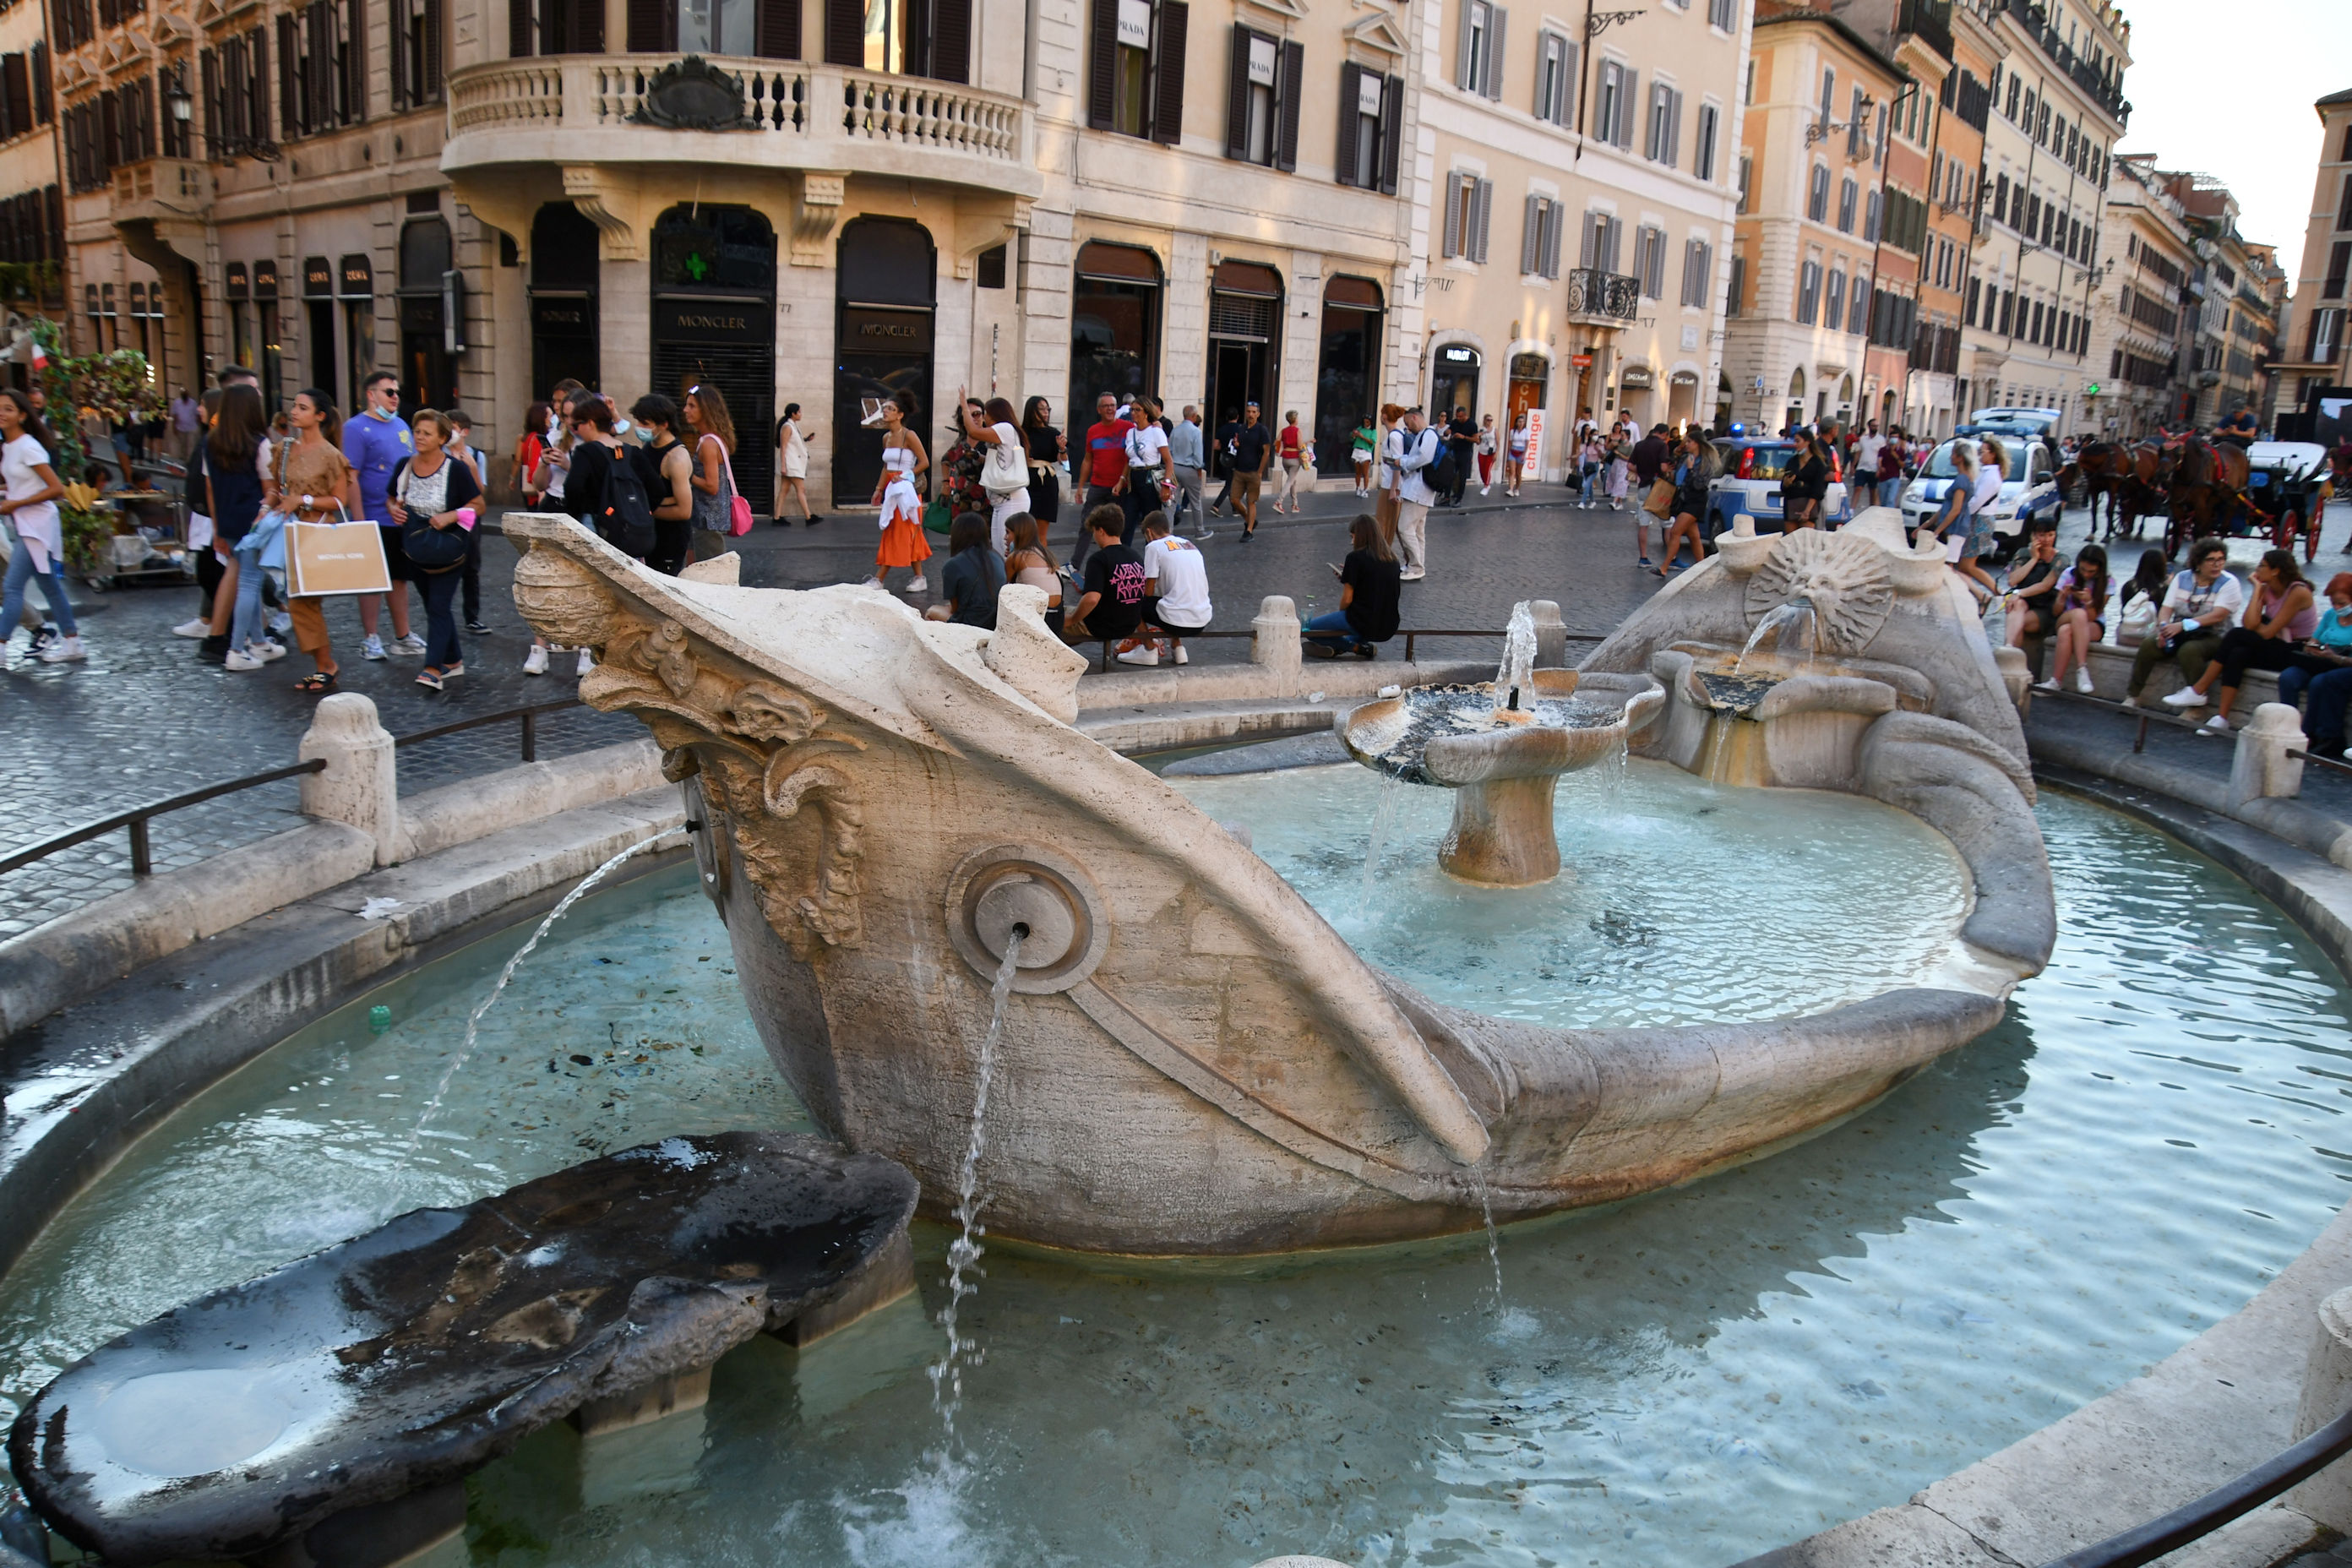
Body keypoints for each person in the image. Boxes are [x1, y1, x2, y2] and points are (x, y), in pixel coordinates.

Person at [264, 389, 358, 694]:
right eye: (294, 406)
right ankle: (324, 663)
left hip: (315, 533)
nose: (294, 412)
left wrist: (303, 500)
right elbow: (276, 488)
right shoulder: (284, 449)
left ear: (319, 416)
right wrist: (267, 507)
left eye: (303, 408)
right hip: (285, 532)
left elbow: (339, 500)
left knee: (304, 601)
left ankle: (326, 664)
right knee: (296, 600)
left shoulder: (331, 456)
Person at [2162, 548, 2316, 732]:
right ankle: (2222, 718)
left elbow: (2267, 632)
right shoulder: (2266, 588)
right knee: (2237, 653)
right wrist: (2257, 590)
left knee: (2236, 635)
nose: (2257, 570)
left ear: (2276, 571)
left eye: (2262, 566)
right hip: (2277, 644)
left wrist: (2257, 625)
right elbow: (2249, 623)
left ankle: (2198, 689)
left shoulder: (2298, 592)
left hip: (2296, 649)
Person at [386, 409, 483, 690]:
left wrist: (450, 516)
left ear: (442, 438)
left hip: (449, 547)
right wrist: (393, 510)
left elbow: (479, 505)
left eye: (427, 433)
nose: (419, 437)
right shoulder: (405, 465)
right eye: (417, 431)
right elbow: (391, 498)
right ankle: (453, 660)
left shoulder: (456, 469)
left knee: (439, 605)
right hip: (416, 547)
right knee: (433, 606)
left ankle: (432, 668)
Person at [0, 388, 82, 665]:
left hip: (37, 525)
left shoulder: (28, 446)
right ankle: (73, 642)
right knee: (50, 587)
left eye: (8, 409)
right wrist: (8, 494)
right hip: (26, 523)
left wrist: (16, 503)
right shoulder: (9, 446)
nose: (1, 413)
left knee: (12, 588)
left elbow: (56, 488)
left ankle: (1, 646)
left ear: (22, 415)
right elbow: (21, 484)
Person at [340, 372, 419, 661]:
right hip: (372, 516)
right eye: (389, 392)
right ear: (371, 395)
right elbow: (351, 476)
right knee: (371, 580)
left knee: (399, 578)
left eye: (397, 391)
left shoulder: (401, 425)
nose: (395, 397)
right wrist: (359, 521)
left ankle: (403, 635)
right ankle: (371, 637)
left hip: (399, 516)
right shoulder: (355, 428)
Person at [199, 383, 276, 665]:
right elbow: (269, 489)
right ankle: (237, 650)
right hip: (253, 522)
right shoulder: (259, 444)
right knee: (250, 582)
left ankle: (259, 642)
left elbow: (210, 489)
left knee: (247, 580)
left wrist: (217, 528)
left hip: (227, 520)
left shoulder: (210, 442)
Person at [2123, 536, 2246, 709]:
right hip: (2179, 630)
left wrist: (2183, 625)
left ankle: (2196, 704)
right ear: (2198, 563)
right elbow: (2167, 609)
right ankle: (2133, 695)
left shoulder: (2229, 583)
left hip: (2214, 634)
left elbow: (2218, 615)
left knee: (2189, 651)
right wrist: (2163, 629)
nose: (2217, 565)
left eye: (2221, 560)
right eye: (2210, 560)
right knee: (2149, 645)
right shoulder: (2182, 578)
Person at [1305, 513, 1402, 658]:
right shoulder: (1393, 559)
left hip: (1362, 621)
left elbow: (1347, 599)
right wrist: (1349, 575)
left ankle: (1352, 647)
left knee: (1308, 629)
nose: (1352, 542)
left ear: (1360, 536)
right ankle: (1344, 647)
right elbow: (1376, 586)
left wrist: (1342, 615)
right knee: (1353, 631)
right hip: (1388, 624)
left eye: (1353, 537)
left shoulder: (1355, 558)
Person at [1123, 510, 1211, 666]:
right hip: (1202, 619)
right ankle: (1178, 648)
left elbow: (1148, 592)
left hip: (1177, 622)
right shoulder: (1189, 545)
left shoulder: (1154, 547)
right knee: (1173, 599)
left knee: (1132, 602)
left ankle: (1149, 649)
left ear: (1149, 532)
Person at [2278, 574, 2352, 760]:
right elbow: (2314, 639)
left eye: (2342, 604)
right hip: (2321, 661)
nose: (2337, 608)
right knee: (2288, 677)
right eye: (2334, 603)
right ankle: (2287, 726)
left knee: (2320, 682)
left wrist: (2336, 658)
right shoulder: (2330, 615)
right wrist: (2313, 648)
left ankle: (2308, 733)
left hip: (2342, 664)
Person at [868, 393, 930, 595]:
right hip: (892, 490)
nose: (885, 411)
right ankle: (919, 578)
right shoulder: (885, 438)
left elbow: (924, 462)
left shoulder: (909, 435)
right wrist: (878, 489)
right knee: (900, 530)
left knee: (904, 531)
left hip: (906, 490)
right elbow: (886, 467)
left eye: (891, 409)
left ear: (900, 414)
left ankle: (880, 578)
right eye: (885, 408)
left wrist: (905, 476)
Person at [954, 389, 1029, 553]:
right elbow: (997, 461)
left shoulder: (1005, 428)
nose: (984, 417)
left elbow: (973, 432)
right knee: (998, 551)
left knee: (1006, 551)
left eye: (985, 413)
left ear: (995, 413)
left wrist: (964, 406)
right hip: (1000, 502)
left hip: (1010, 499)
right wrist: (978, 456)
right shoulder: (1001, 431)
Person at [629, 394, 696, 574]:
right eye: (638, 421)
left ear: (664, 424)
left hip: (670, 539)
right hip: (649, 536)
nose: (639, 427)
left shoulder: (676, 458)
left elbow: (684, 511)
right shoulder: (649, 447)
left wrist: (647, 511)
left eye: (645, 423)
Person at [1062, 504, 1146, 647]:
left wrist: (1072, 619)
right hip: (1129, 624)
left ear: (1101, 531)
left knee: (1052, 617)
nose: (1094, 536)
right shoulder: (1135, 556)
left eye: (1094, 531)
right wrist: (1090, 585)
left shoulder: (1098, 559)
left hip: (1101, 625)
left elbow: (1092, 599)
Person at [2034, 542, 2110, 695]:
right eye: (2083, 569)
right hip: (2066, 617)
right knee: (2078, 614)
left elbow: (2093, 616)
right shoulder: (2069, 574)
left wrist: (2088, 602)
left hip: (2093, 624)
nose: (2086, 574)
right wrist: (2061, 598)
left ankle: (2056, 681)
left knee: (2066, 631)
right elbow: (2056, 612)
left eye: (2091, 571)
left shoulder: (2107, 582)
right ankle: (2082, 669)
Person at [680, 383, 743, 565]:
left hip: (707, 520)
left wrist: (687, 474)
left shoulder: (708, 444)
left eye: (692, 406)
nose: (685, 410)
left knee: (709, 573)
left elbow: (711, 486)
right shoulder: (712, 440)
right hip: (705, 519)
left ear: (706, 410)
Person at [1074, 393, 1132, 571]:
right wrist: (1080, 486)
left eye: (1113, 405)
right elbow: (1088, 460)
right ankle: (1075, 565)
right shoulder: (1093, 431)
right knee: (1087, 524)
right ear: (1099, 410)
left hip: (1119, 487)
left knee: (1116, 528)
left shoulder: (1128, 428)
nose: (1110, 409)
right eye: (1106, 406)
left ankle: (1117, 566)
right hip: (1097, 486)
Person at [928, 511, 1006, 629]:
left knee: (931, 611)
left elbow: (955, 609)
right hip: (994, 622)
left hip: (970, 623)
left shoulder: (953, 564)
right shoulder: (997, 557)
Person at [1656, 434, 1719, 574]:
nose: (1687, 444)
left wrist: (1691, 469)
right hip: (1684, 499)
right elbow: (1678, 479)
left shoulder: (1705, 463)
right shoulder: (1686, 458)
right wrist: (1671, 471)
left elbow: (1699, 484)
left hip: (1696, 500)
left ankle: (1664, 567)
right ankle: (1702, 568)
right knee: (1694, 537)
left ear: (1697, 444)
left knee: (1675, 532)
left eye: (1689, 441)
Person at [1389, 406, 1440, 581]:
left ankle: (1416, 567)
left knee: (1404, 527)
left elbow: (1423, 459)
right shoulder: (1423, 435)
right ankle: (1416, 564)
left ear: (1415, 418)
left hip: (1419, 490)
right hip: (1417, 489)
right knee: (1418, 532)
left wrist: (1403, 462)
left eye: (1408, 423)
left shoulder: (1429, 435)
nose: (1408, 427)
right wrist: (1403, 460)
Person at [2004, 520, 2063, 655]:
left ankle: (2010, 655)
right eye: (2042, 535)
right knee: (2017, 607)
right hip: (2023, 603)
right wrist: (2034, 559)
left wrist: (2018, 593)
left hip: (2045, 607)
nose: (2047, 540)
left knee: (2016, 622)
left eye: (2051, 535)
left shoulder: (2060, 559)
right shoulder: (2023, 553)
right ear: (2033, 536)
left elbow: (2045, 586)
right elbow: (2013, 580)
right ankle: (2009, 650)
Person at [1121, 395, 1171, 541]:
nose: (1133, 413)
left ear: (1146, 412)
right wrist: (1121, 479)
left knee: (1152, 524)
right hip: (1133, 479)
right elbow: (1129, 459)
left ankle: (1153, 552)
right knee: (1127, 521)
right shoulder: (1130, 433)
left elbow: (1168, 460)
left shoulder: (1156, 432)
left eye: (1137, 410)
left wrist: (1166, 485)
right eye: (1132, 409)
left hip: (1150, 477)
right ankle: (1124, 554)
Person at [1005, 512, 1064, 634]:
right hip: (1057, 617)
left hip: (1039, 619)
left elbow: (1004, 589)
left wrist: (1009, 557)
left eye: (1008, 532)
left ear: (1019, 534)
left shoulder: (1017, 557)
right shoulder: (1046, 554)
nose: (1005, 537)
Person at [1230, 401, 1272, 540]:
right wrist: (1237, 445)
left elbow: (1266, 452)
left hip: (1254, 471)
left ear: (1258, 414)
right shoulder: (1241, 428)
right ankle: (1250, 520)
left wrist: (1260, 471)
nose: (1251, 414)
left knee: (1251, 501)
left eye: (1254, 412)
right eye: (1249, 411)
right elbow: (1239, 446)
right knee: (1234, 500)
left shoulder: (1262, 430)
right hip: (1239, 470)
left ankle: (1249, 531)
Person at [1022, 397, 1064, 534]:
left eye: (1048, 409)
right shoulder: (1021, 433)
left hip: (1046, 483)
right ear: (1032, 410)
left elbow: (1065, 464)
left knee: (1041, 532)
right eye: (1042, 409)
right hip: (1025, 482)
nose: (1046, 412)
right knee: (1023, 529)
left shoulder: (1053, 433)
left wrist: (1062, 449)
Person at [774, 403, 820, 525]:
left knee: (784, 489)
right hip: (791, 464)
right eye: (799, 412)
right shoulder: (788, 427)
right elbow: (784, 447)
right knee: (801, 489)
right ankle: (808, 517)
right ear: (793, 414)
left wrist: (806, 439)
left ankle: (777, 517)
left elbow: (792, 442)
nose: (801, 414)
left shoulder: (792, 426)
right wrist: (783, 465)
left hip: (791, 463)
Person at [1169, 405, 1208, 537]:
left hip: (1175, 467)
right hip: (1190, 469)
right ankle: (1200, 530)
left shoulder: (1175, 430)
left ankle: (1169, 531)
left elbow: (1170, 450)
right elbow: (1198, 455)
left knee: (1172, 502)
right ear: (1194, 416)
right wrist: (1199, 468)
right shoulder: (1196, 432)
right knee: (1196, 502)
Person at [1781, 428, 1828, 531]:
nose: (1795, 444)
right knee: (1790, 538)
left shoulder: (1818, 463)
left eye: (1798, 441)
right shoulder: (1792, 461)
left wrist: (1807, 511)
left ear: (1807, 442)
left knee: (1805, 538)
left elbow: (1818, 489)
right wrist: (1786, 483)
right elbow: (1783, 487)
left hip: (1808, 505)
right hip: (1791, 503)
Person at [511, 400, 551, 509]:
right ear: (542, 418)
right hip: (537, 495)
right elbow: (533, 469)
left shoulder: (528, 437)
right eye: (550, 416)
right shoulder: (537, 439)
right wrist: (541, 493)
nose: (552, 420)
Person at [1272, 410, 1308, 515]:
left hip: (1285, 459)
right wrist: (1306, 445)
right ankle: (1278, 502)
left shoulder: (1284, 431)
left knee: (1293, 481)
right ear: (1295, 419)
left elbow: (1276, 442)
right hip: (1295, 459)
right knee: (1289, 482)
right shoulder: (1297, 430)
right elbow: (1300, 445)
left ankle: (1295, 504)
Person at [1443, 407, 1478, 507]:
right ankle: (1446, 498)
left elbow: (1476, 439)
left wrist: (1463, 437)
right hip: (1454, 451)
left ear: (1465, 415)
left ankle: (1459, 498)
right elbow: (1448, 431)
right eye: (1457, 416)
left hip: (1465, 452)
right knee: (1449, 474)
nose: (1459, 418)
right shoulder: (1455, 422)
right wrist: (1447, 432)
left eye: (1461, 417)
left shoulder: (1472, 424)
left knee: (1462, 477)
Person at [1351, 415, 1377, 498]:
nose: (1366, 423)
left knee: (1365, 473)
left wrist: (1362, 436)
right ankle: (1358, 488)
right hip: (1357, 450)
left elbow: (1372, 442)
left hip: (1366, 452)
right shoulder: (1360, 428)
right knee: (1357, 472)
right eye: (1365, 421)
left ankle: (1365, 489)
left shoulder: (1373, 431)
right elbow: (1352, 437)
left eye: (1367, 422)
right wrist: (1354, 434)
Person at [1503, 412, 1528, 498]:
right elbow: (1510, 443)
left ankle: (1517, 489)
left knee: (1518, 473)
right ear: (1516, 423)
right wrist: (1508, 453)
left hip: (1521, 452)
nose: (1521, 423)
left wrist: (1524, 454)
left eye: (1522, 422)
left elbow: (1527, 443)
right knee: (1512, 471)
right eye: (1519, 422)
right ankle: (1510, 489)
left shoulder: (1526, 432)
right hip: (1513, 451)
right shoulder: (1512, 431)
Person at [1475, 413, 1499, 495]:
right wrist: (1480, 434)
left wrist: (1496, 454)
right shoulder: (1481, 430)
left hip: (1491, 452)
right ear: (1485, 420)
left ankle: (1486, 485)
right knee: (1482, 470)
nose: (1489, 422)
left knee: (1487, 469)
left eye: (1491, 420)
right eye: (1488, 420)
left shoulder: (1495, 430)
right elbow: (1478, 442)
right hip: (1482, 451)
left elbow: (1498, 443)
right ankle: (1485, 483)